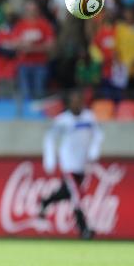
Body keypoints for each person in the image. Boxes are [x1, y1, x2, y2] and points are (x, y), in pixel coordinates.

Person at [38, 90, 103, 239]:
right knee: (77, 196)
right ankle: (84, 229)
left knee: (67, 192)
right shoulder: (63, 121)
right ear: (69, 104)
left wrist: (94, 150)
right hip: (69, 164)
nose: (77, 104)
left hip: (83, 164)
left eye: (79, 101)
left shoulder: (89, 117)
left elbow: (98, 135)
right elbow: (50, 138)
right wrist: (50, 159)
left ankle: (46, 201)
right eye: (74, 101)